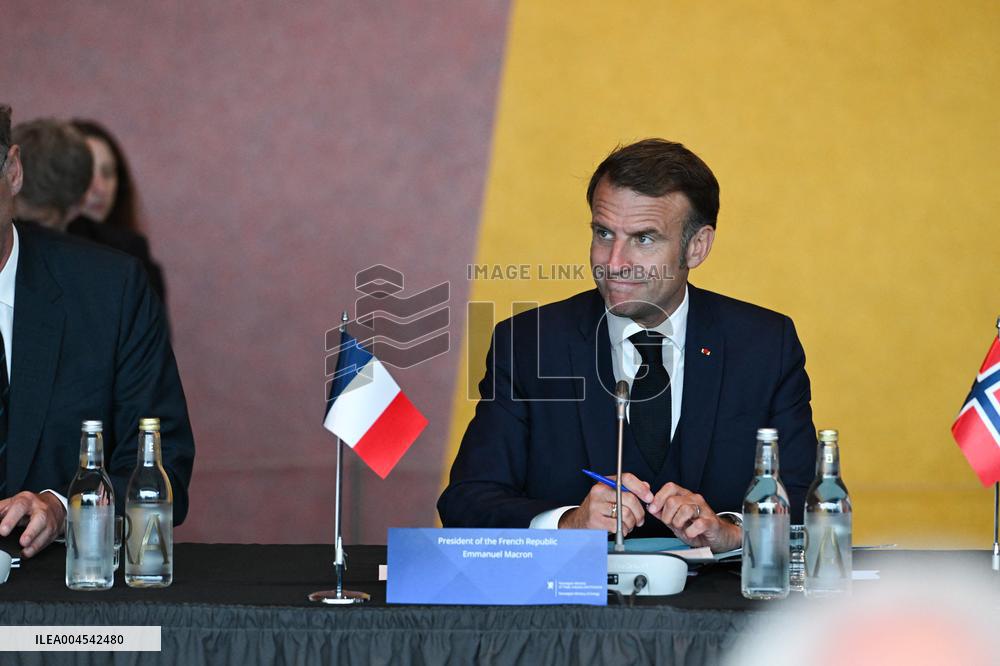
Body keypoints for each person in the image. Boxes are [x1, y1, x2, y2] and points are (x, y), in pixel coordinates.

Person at [439, 139, 816, 552]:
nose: (614, 262)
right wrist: (568, 523)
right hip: (573, 609)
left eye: (644, 239)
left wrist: (732, 532)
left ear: (697, 246)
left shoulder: (764, 345)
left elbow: (806, 502)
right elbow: (466, 502)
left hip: (723, 609)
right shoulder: (530, 344)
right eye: (603, 233)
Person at [0, 105, 194, 558]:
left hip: (72, 602)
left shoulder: (109, 291)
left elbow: (163, 466)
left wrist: (65, 508)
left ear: (12, 172)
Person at [66, 119, 167, 305]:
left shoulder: (135, 254)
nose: (100, 189)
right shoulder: (34, 253)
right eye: (86, 174)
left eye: (108, 173)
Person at [10, 119, 91, 230]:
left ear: (74, 209)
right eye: (12, 219)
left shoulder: (111, 245)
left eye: (33, 224)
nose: (16, 231)